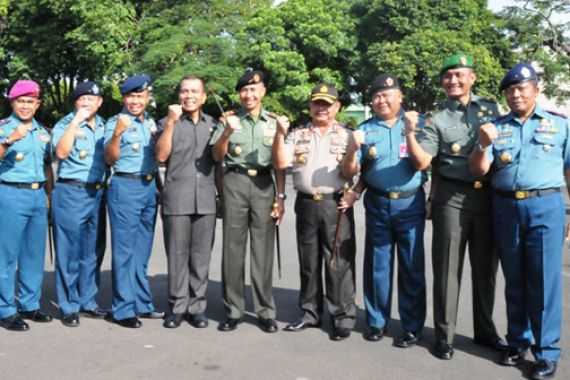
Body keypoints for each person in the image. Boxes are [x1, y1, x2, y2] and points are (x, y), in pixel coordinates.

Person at [469, 63, 568, 380]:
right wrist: (483, 143)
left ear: (536, 90)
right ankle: (517, 343)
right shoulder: (497, 127)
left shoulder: (560, 125)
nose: (515, 94)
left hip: (546, 205)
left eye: (521, 88)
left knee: (543, 282)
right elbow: (478, 170)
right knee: (514, 280)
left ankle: (546, 352)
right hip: (507, 207)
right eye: (510, 89)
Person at [405, 53, 505, 359]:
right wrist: (410, 132)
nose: (453, 81)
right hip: (453, 198)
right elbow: (425, 161)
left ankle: (485, 332)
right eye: (448, 77)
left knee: (485, 270)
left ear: (472, 77)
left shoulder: (492, 109)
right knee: (447, 269)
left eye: (459, 75)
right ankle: (444, 336)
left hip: (488, 196)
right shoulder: (437, 120)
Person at [343, 74, 426, 347]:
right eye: (377, 96)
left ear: (400, 96)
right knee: (377, 266)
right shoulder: (367, 129)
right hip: (378, 204)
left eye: (388, 94)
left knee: (411, 267)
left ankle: (412, 326)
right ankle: (377, 321)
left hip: (410, 203)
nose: (382, 100)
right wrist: (356, 185)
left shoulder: (418, 124)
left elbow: (427, 165)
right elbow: (360, 170)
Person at [273, 83, 357, 341]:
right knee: (308, 261)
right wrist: (278, 134)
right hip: (307, 202)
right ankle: (310, 312)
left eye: (327, 104)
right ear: (310, 106)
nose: (321, 108)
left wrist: (353, 149)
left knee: (337, 262)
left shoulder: (348, 135)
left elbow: (352, 171)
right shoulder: (297, 135)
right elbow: (281, 163)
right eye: (317, 103)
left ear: (337, 107)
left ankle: (341, 317)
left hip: (336, 203)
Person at [210, 70, 285, 333]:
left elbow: (280, 165)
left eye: (254, 90)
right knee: (232, 248)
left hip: (265, 184)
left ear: (263, 92)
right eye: (244, 90)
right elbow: (217, 156)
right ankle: (233, 310)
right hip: (235, 183)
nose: (248, 95)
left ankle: (265, 311)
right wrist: (226, 134)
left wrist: (281, 197)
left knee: (263, 250)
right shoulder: (229, 120)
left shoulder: (274, 122)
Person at [156, 75, 220, 329]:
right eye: (184, 91)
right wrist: (171, 123)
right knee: (177, 255)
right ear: (178, 95)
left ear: (204, 97)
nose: (189, 96)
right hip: (177, 198)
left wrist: (222, 197)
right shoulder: (166, 122)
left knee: (201, 257)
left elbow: (219, 163)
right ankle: (176, 306)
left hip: (205, 199)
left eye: (195, 91)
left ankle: (197, 307)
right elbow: (161, 155)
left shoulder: (214, 125)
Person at [103, 75, 163, 328]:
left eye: (140, 96)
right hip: (125, 186)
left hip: (149, 186)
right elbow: (108, 157)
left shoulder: (149, 123)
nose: (135, 101)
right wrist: (117, 134)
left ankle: (142, 302)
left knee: (142, 250)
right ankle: (122, 308)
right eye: (131, 96)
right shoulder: (116, 122)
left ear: (147, 97)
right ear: (124, 98)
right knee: (125, 251)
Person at [52, 81, 109, 327]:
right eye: (82, 98)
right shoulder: (65, 124)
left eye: (91, 99)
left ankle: (88, 300)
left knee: (93, 251)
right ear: (75, 102)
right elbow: (61, 153)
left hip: (97, 193)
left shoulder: (106, 125)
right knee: (69, 252)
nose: (87, 102)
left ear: (100, 102)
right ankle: (69, 305)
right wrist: (75, 122)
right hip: (71, 192)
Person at [0, 80, 53, 331]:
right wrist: (9, 140)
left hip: (37, 195)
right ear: (12, 103)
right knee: (6, 255)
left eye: (30, 102)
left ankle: (30, 304)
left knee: (33, 254)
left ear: (37, 104)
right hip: (11, 194)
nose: (25, 106)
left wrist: (50, 197)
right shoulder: (4, 128)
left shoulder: (43, 132)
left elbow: (48, 166)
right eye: (20, 101)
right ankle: (5, 309)